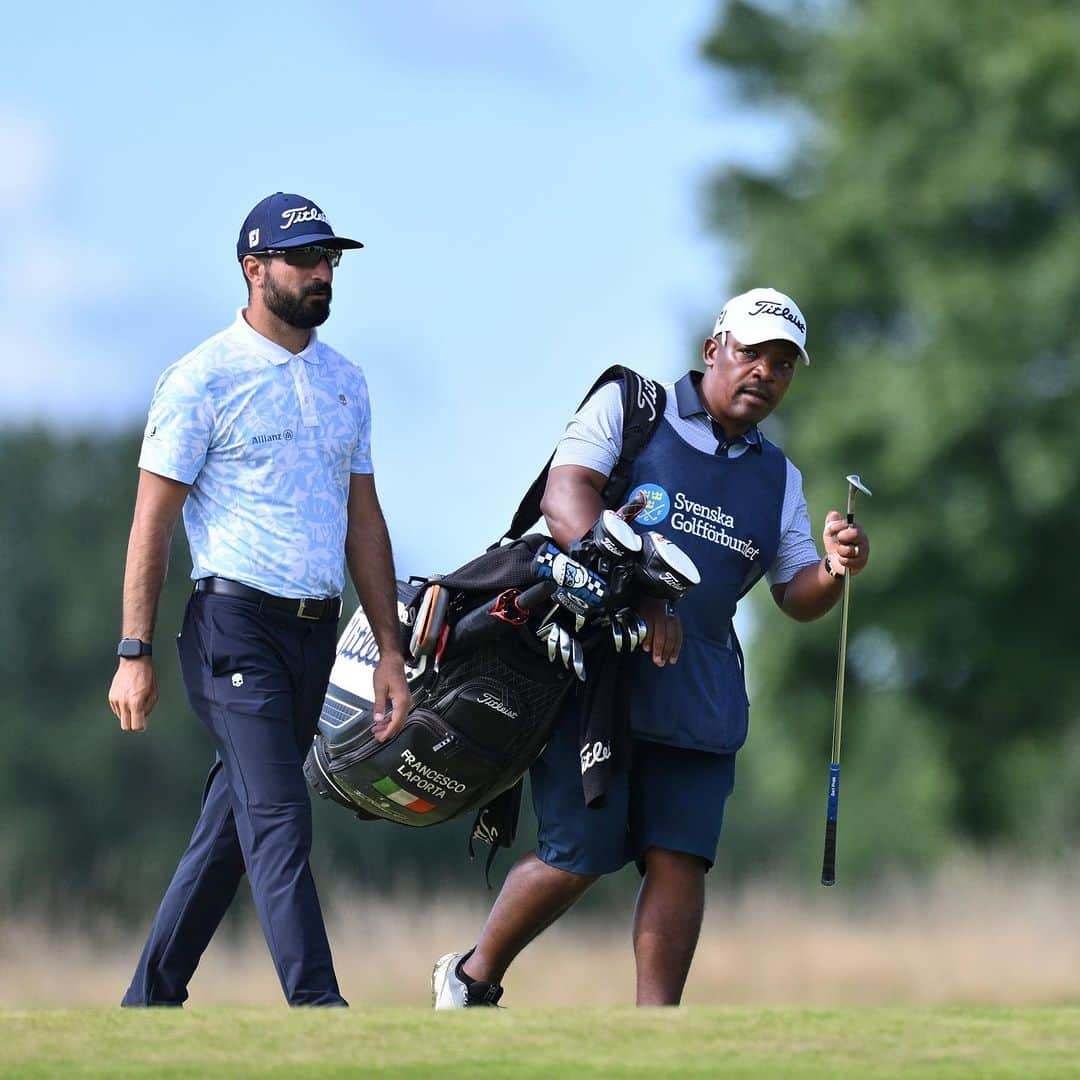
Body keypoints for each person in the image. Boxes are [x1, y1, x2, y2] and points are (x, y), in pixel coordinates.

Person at [432, 287, 870, 1008]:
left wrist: (833, 568)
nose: (765, 372)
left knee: (681, 859)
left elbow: (796, 595)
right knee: (582, 853)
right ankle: (472, 979)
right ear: (713, 350)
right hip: (596, 668)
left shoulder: (779, 478)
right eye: (752, 352)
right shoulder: (633, 408)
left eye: (784, 364)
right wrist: (639, 592)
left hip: (699, 689)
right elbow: (565, 497)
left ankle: (656, 1033)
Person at [109, 192, 411, 1008]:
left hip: (316, 636)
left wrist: (389, 648)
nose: (322, 274)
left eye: (329, 261)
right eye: (305, 259)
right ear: (254, 269)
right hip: (233, 628)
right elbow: (152, 523)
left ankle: (149, 1004)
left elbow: (365, 523)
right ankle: (320, 1008)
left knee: (229, 835)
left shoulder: (346, 381)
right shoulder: (202, 378)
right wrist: (134, 651)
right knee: (278, 815)